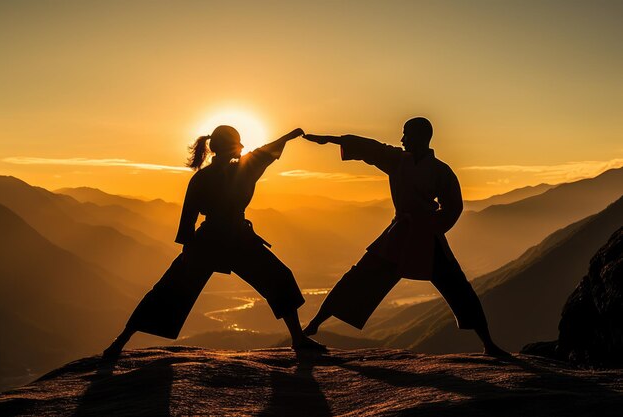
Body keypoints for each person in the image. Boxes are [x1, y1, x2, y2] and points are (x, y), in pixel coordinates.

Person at [103, 125, 325, 358]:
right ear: (231, 147)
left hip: (209, 240)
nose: (243, 147)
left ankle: (120, 342)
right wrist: (288, 137)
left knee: (168, 290)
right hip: (236, 239)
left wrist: (189, 248)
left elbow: (188, 217)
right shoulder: (244, 169)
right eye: (238, 143)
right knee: (278, 278)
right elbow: (264, 152)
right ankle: (298, 339)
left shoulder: (203, 178)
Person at [302, 117, 509, 356]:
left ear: (421, 138)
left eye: (406, 134)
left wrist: (432, 226)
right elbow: (369, 147)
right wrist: (330, 139)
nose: (401, 139)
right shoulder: (397, 161)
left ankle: (488, 344)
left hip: (426, 237)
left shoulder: (440, 170)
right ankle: (316, 324)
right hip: (400, 234)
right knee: (359, 277)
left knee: (458, 287)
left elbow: (453, 207)